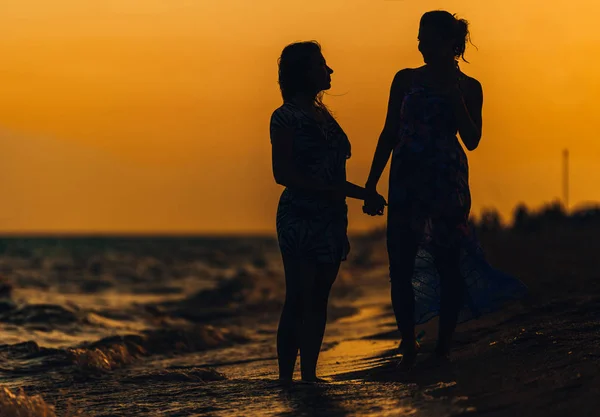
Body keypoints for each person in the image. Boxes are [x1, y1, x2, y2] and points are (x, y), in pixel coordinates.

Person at [364, 10, 527, 370]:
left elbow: (472, 140)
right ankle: (408, 345)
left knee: (447, 262)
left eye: (425, 37)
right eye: (418, 36)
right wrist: (371, 182)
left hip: (445, 180)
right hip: (405, 178)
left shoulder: (470, 87)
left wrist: (455, 100)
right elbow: (389, 131)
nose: (419, 43)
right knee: (400, 265)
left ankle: (443, 349)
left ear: (447, 43)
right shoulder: (404, 80)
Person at [269, 41, 386, 382]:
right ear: (304, 72)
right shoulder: (285, 116)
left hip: (331, 218)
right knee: (298, 297)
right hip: (300, 216)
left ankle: (308, 376)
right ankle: (284, 379)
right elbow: (283, 174)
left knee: (320, 298)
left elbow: (337, 176)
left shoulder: (324, 116)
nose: (329, 70)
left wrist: (358, 200)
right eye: (322, 64)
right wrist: (341, 192)